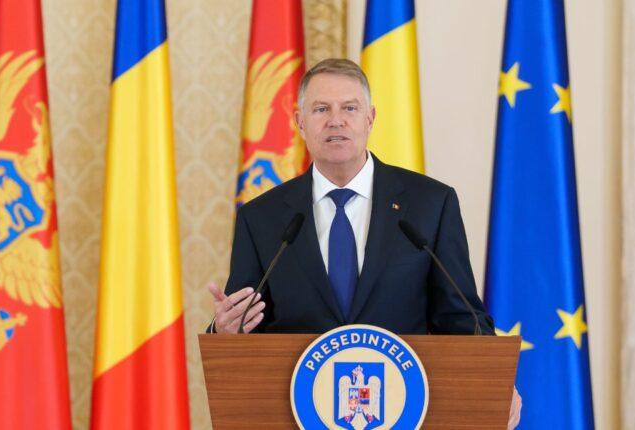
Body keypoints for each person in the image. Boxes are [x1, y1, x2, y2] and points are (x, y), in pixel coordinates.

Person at [206, 58, 521, 428]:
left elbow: (460, 315)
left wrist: (493, 379)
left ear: (370, 119)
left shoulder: (430, 204)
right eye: (321, 109)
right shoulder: (262, 217)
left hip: (405, 414)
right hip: (298, 416)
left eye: (349, 108)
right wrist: (223, 331)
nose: (336, 120)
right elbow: (245, 323)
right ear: (300, 122)